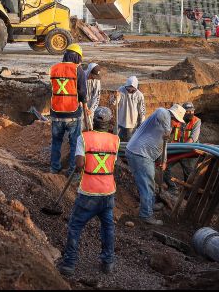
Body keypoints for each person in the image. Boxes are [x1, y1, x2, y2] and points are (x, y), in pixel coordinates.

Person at [57, 107, 120, 277]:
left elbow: (78, 164)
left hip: (89, 192)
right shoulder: (115, 140)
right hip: (108, 192)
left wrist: (83, 163)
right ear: (109, 123)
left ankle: (69, 264)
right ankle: (108, 263)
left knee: (75, 226)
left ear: (95, 122)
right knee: (108, 227)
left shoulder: (84, 138)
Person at [125, 104, 186, 226]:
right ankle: (146, 215)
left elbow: (163, 144)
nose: (178, 125)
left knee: (149, 183)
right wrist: (168, 129)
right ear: (173, 116)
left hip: (144, 154)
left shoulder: (167, 127)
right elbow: (160, 111)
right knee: (147, 185)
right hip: (140, 154)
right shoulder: (163, 114)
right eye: (177, 122)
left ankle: (150, 205)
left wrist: (163, 160)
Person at [49, 44, 88, 176]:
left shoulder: (54, 68)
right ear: (78, 56)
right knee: (74, 144)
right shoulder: (78, 70)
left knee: (56, 142)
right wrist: (85, 104)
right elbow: (82, 92)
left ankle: (54, 168)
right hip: (72, 113)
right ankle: (73, 172)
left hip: (56, 112)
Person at [163, 103, 201, 191]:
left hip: (189, 151)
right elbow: (169, 131)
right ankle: (172, 187)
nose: (190, 113)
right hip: (176, 149)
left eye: (192, 111)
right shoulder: (177, 119)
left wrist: (184, 146)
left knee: (189, 173)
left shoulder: (196, 121)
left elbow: (193, 138)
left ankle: (187, 193)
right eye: (188, 111)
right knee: (165, 167)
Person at [114, 76, 146, 141]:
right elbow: (114, 103)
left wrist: (141, 124)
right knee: (117, 141)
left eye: (132, 89)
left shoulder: (139, 95)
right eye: (129, 88)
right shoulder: (121, 90)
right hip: (120, 122)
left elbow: (142, 111)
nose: (130, 90)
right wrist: (115, 96)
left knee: (130, 142)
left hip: (132, 124)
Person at [83, 63, 102, 131]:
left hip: (90, 106)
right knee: (79, 126)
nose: (94, 78)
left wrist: (91, 110)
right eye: (93, 75)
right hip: (79, 105)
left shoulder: (97, 80)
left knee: (89, 126)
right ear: (89, 72)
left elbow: (97, 96)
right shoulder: (81, 76)